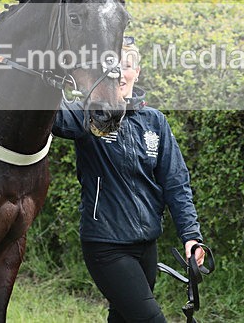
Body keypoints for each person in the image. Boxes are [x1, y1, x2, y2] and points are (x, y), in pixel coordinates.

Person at [52, 36, 205, 323]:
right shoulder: (89, 114)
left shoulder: (155, 121)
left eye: (126, 65)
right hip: (106, 245)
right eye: (111, 66)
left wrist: (190, 236)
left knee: (122, 319)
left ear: (138, 71)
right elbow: (50, 115)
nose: (120, 73)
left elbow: (176, 183)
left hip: (147, 245)